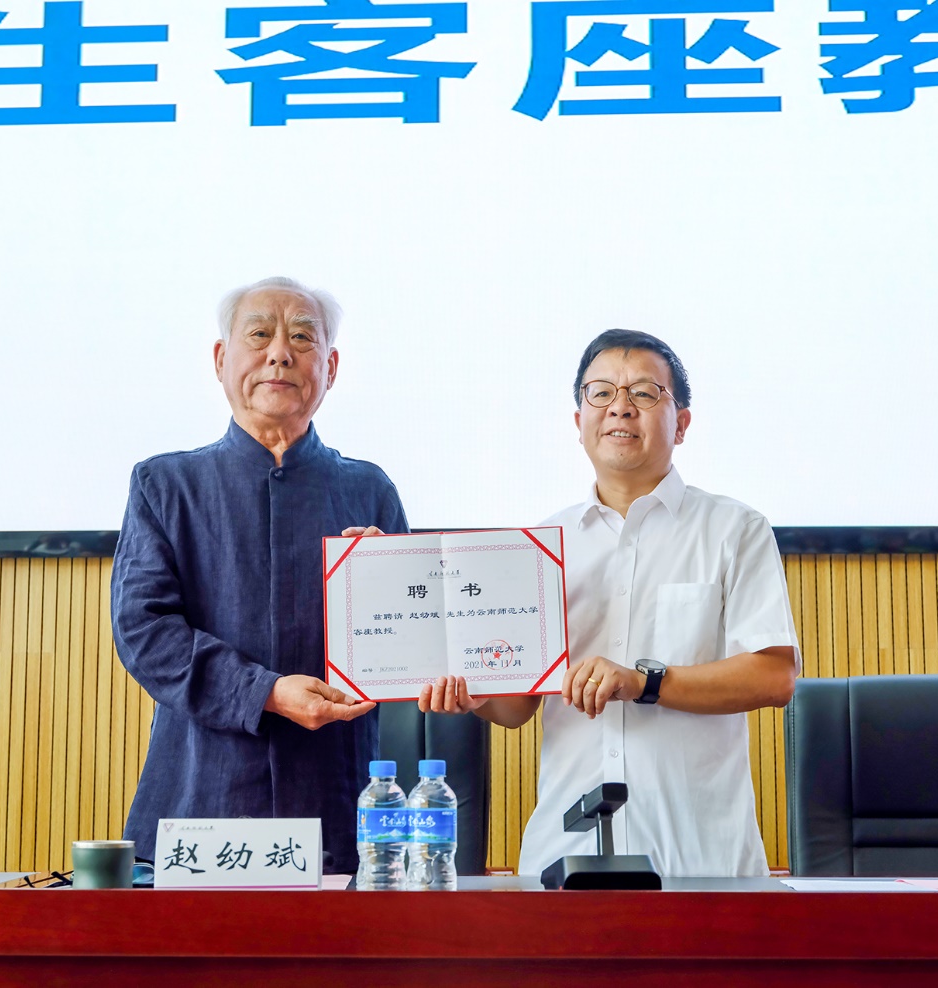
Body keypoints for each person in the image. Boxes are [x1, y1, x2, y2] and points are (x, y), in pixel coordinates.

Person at [419, 329, 799, 877]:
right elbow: (517, 706)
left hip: (702, 853)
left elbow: (773, 677)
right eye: (601, 393)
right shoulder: (540, 546)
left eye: (643, 392)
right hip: (565, 850)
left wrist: (644, 682)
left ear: (682, 423)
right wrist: (475, 694)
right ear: (579, 423)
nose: (620, 407)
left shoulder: (734, 529)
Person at [112, 277, 408, 872]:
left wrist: (392, 586)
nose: (280, 353)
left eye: (302, 337)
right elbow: (145, 632)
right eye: (259, 335)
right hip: (204, 807)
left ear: (330, 366)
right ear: (221, 359)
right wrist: (265, 692)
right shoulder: (165, 486)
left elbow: (407, 646)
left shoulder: (370, 491)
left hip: (337, 813)